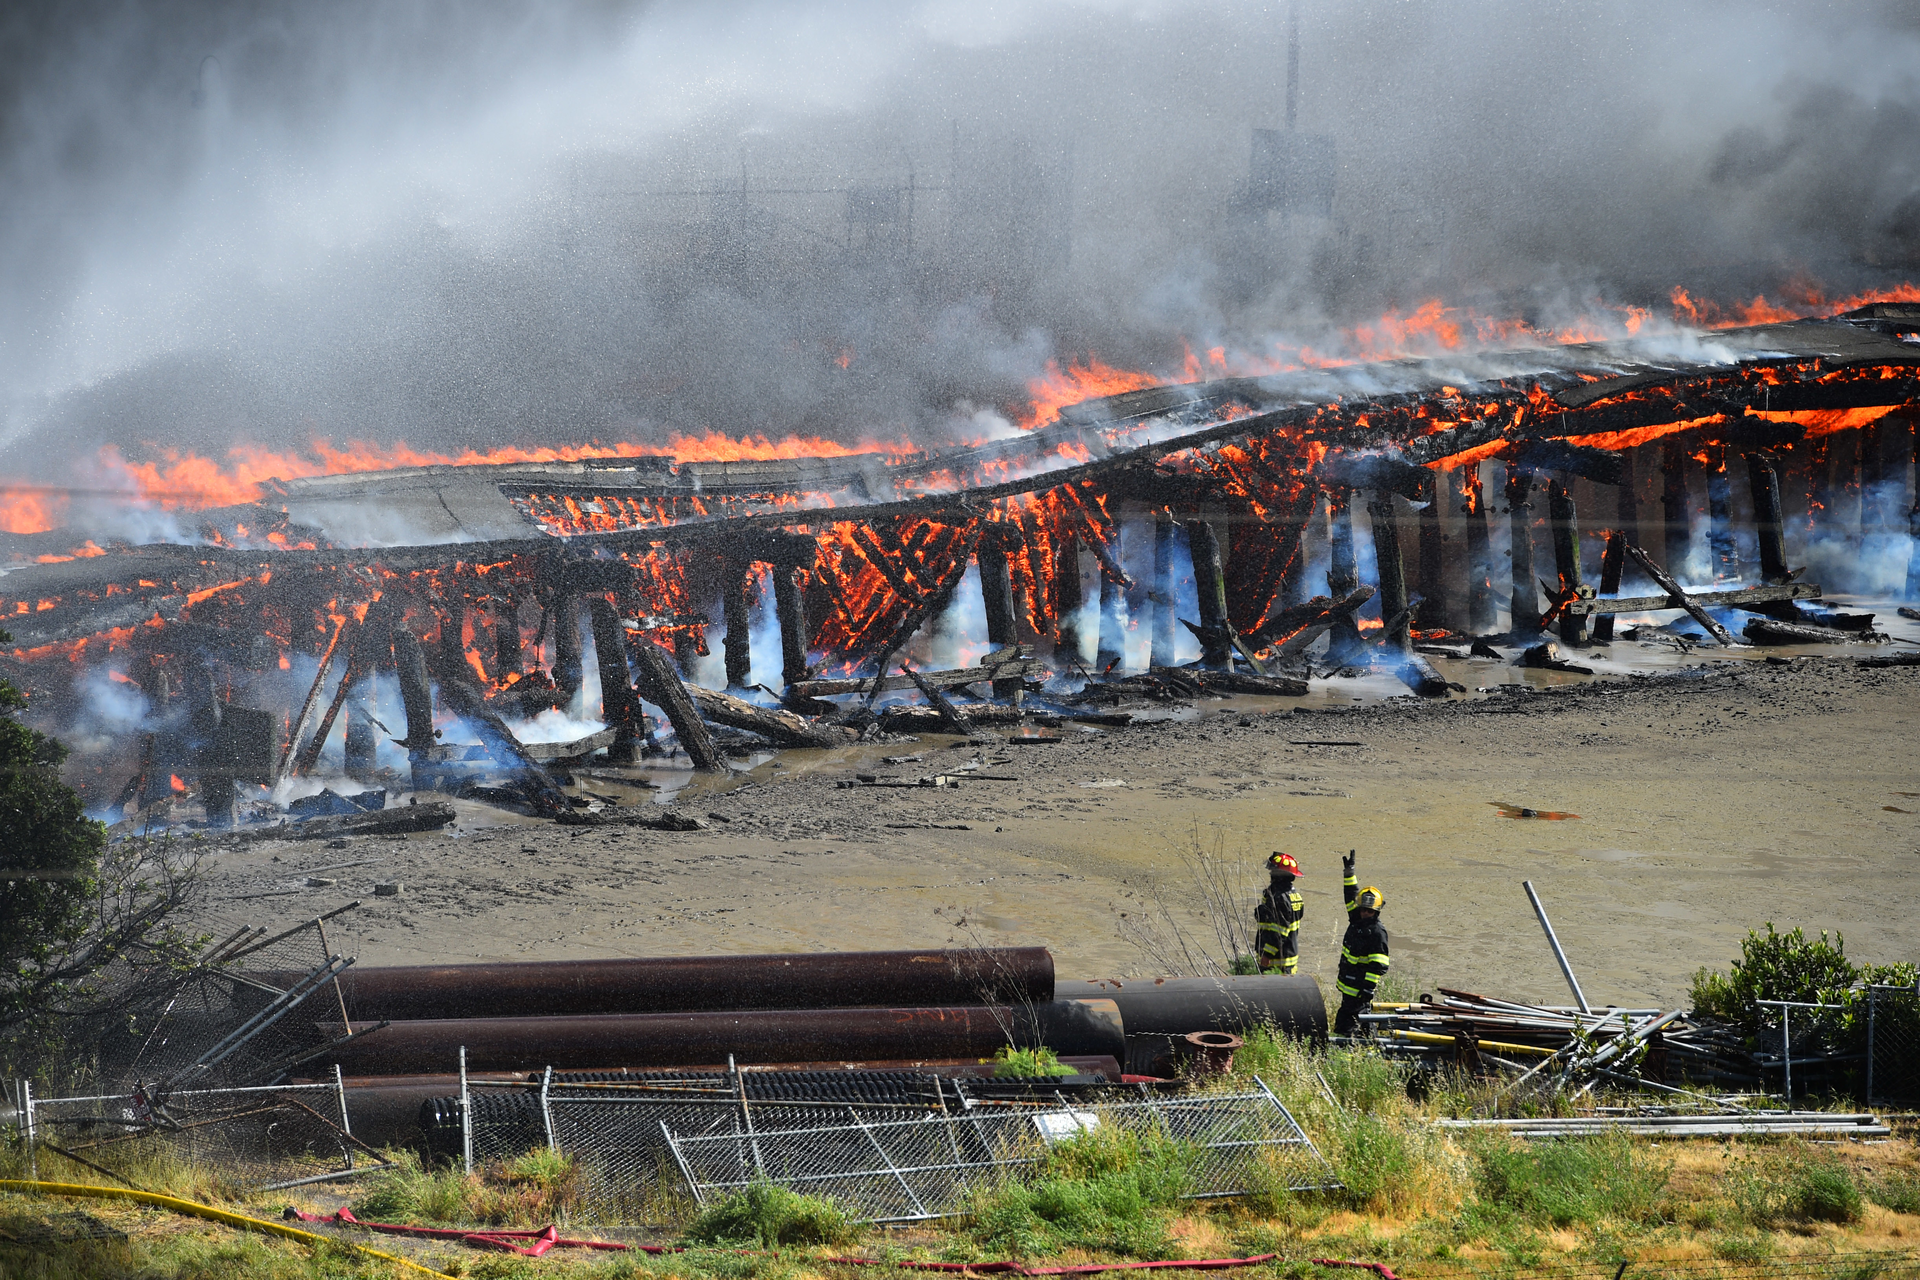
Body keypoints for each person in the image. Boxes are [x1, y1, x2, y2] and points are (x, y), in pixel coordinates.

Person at [1335, 849, 1390, 1035]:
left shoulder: (1377, 932)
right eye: (1363, 910)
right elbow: (1350, 895)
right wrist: (1349, 873)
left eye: (1369, 911)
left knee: (1354, 1023)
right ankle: (1364, 1045)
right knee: (1353, 1021)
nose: (1365, 913)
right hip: (1348, 987)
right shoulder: (1356, 920)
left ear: (1376, 912)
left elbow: (1378, 965)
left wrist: (1367, 988)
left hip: (1359, 990)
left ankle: (1358, 1050)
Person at [1254, 852, 1304, 974]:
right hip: (1288, 957)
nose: (1270, 874)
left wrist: (1267, 954)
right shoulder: (1294, 896)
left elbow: (1279, 931)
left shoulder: (1280, 898)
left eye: (1272, 872)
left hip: (1276, 960)